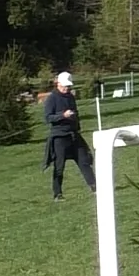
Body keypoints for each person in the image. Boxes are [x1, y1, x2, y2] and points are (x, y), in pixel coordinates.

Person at [41, 71, 95, 200]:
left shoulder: (70, 97)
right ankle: (57, 194)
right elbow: (48, 118)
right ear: (58, 84)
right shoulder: (52, 98)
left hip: (73, 134)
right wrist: (62, 116)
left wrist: (77, 126)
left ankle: (95, 186)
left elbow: (76, 113)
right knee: (59, 166)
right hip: (59, 136)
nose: (67, 88)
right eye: (64, 86)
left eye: (68, 86)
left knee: (84, 161)